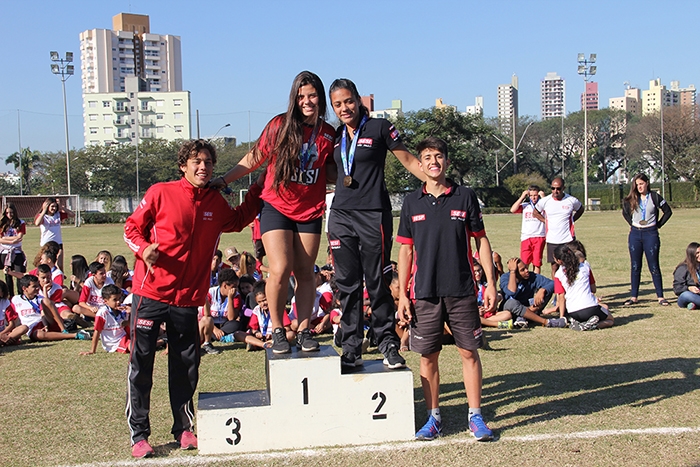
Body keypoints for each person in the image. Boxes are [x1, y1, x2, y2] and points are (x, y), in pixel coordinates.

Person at [123, 138, 263, 458]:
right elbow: (131, 229)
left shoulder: (215, 202)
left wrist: (261, 185)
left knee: (186, 365)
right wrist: (144, 250)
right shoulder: (161, 192)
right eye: (197, 161)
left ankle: (183, 429)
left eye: (209, 163)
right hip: (150, 293)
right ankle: (139, 435)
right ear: (183, 165)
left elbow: (239, 219)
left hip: (187, 299)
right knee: (141, 364)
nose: (203, 167)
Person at [211, 71, 335, 355]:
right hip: (276, 206)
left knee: (306, 273)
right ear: (294, 98)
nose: (307, 101)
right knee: (279, 269)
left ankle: (303, 331)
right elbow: (254, 157)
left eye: (312, 95)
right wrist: (224, 180)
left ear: (321, 98)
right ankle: (278, 329)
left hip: (310, 211)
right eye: (301, 96)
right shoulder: (280, 125)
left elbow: (331, 169)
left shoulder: (328, 133)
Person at [396, 136, 495, 442]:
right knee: (427, 356)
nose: (433, 162)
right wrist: (402, 294)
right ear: (420, 164)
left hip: (462, 288)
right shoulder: (411, 202)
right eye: (427, 157)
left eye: (438, 156)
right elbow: (405, 252)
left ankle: (476, 416)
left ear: (447, 162)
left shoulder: (465, 196)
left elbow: (481, 239)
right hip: (424, 291)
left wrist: (490, 283)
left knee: (469, 352)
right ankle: (433, 418)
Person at [328, 78, 425, 369]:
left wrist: (435, 182)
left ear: (358, 100)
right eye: (337, 104)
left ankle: (387, 343)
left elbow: (408, 159)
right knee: (347, 285)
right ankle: (351, 348)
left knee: (377, 282)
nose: (344, 108)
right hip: (340, 215)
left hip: (373, 214)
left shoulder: (380, 127)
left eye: (347, 101)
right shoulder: (335, 135)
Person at [621, 173, 672, 306]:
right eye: (637, 185)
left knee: (654, 265)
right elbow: (625, 212)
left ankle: (660, 296)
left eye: (641, 184)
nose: (639, 187)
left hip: (651, 233)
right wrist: (632, 224)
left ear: (647, 183)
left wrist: (658, 224)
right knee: (635, 265)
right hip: (635, 234)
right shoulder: (632, 198)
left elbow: (668, 211)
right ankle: (634, 296)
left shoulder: (654, 197)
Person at [10, 274, 90, 342]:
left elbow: (43, 313)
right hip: (32, 328)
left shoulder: (39, 298)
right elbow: (12, 317)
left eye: (38, 286)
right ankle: (74, 335)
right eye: (34, 287)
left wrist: (46, 326)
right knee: (39, 335)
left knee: (46, 301)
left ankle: (63, 330)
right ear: (24, 288)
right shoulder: (15, 300)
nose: (38, 288)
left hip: (46, 322)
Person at [553, 244, 614, 330]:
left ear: (559, 261)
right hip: (590, 308)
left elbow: (561, 297)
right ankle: (590, 325)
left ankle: (578, 322)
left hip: (572, 311)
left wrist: (562, 317)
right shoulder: (585, 267)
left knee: (603, 308)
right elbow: (593, 289)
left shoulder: (558, 274)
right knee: (610, 320)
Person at [533, 178, 584, 278]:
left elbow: (581, 209)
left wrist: (573, 219)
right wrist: (546, 221)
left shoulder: (571, 200)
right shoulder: (545, 201)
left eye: (558, 188)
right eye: (553, 188)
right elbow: (535, 212)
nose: (555, 191)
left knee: (571, 264)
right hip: (552, 239)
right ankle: (558, 291)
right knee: (554, 266)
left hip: (568, 239)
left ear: (563, 188)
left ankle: (570, 288)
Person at [499, 257, 563, 328]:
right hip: (510, 310)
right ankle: (546, 322)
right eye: (522, 270)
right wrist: (512, 272)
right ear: (515, 273)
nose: (527, 271)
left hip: (528, 306)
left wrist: (543, 290)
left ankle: (523, 317)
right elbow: (511, 292)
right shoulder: (505, 278)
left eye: (526, 267)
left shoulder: (531, 276)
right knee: (511, 303)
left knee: (546, 292)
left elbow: (554, 284)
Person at [199, 268, 242, 355]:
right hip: (209, 324)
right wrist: (215, 330)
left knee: (236, 324)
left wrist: (230, 299)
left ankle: (213, 337)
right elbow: (205, 315)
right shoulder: (210, 293)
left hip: (224, 325)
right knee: (206, 321)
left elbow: (231, 318)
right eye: (233, 287)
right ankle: (215, 336)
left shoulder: (236, 296)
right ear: (225, 285)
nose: (235, 290)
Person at [79, 284, 131, 355]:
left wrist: (131, 312)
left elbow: (131, 324)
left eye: (119, 299)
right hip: (115, 342)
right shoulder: (102, 313)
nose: (118, 302)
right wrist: (92, 350)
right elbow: (97, 332)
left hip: (125, 335)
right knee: (134, 346)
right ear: (106, 301)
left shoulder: (123, 308)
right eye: (115, 300)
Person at [510, 185, 546, 274]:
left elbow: (552, 209)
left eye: (535, 195)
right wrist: (522, 197)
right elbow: (513, 210)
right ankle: (526, 283)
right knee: (524, 263)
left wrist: (543, 197)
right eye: (531, 195)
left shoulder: (543, 205)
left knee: (537, 263)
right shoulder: (525, 206)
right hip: (526, 237)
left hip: (539, 236)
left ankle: (536, 283)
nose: (533, 197)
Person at [34, 197, 74, 271]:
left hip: (58, 242)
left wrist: (63, 208)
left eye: (55, 206)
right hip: (47, 243)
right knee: (46, 264)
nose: (54, 208)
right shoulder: (44, 216)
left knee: (59, 265)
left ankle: (59, 279)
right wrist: (44, 210)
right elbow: (37, 223)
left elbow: (72, 215)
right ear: (47, 206)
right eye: (52, 206)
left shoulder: (58, 215)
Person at [0, 203, 27, 296]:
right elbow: (0, 239)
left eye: (11, 212)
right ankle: (10, 295)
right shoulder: (2, 223)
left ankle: (21, 294)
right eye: (7, 213)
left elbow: (19, 237)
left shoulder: (21, 222)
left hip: (16, 252)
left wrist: (5, 239)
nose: (9, 215)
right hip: (5, 252)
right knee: (7, 274)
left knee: (19, 274)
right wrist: (12, 241)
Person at [673, 242, 700, 309]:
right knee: (687, 295)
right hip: (686, 295)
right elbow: (677, 288)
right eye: (697, 253)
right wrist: (689, 288)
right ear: (691, 254)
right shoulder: (683, 268)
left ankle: (693, 304)